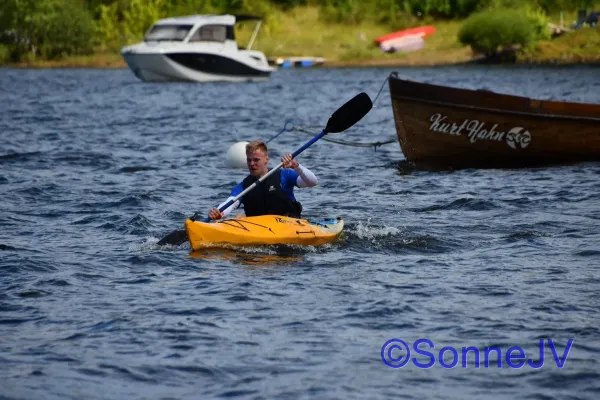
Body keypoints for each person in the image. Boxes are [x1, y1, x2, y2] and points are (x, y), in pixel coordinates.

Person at [208, 140, 318, 220]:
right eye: (249, 160)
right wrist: (219, 213)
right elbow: (230, 203)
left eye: (256, 160)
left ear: (266, 159)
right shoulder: (243, 186)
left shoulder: (284, 175)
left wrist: (296, 166)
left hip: (289, 224)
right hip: (260, 229)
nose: (251, 164)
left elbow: (312, 182)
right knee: (238, 218)